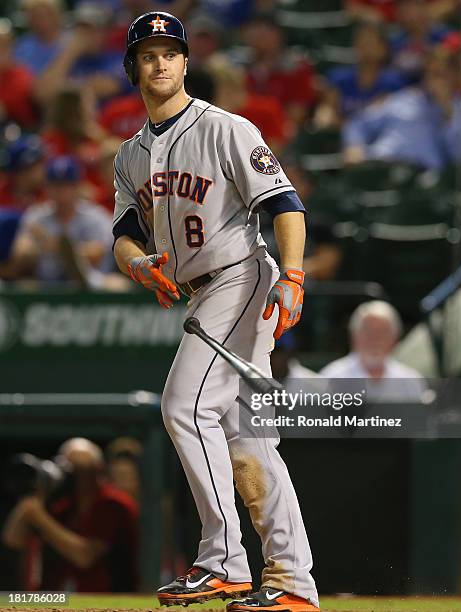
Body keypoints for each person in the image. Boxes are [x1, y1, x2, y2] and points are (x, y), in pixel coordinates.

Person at [112, 11, 319, 612]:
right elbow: (125, 231)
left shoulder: (226, 127)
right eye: (148, 53)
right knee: (245, 438)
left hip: (241, 276)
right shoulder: (129, 155)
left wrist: (296, 274)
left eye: (169, 52)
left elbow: (286, 203)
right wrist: (135, 263)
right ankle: (292, 584)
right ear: (134, 68)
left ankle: (222, 560)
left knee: (184, 405)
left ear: (184, 62)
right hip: (202, 292)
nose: (160, 62)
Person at [1, 437, 139, 591]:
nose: (74, 476)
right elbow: (12, 540)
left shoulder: (114, 503)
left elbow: (85, 557)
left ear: (97, 469)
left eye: (80, 469)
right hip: (61, 599)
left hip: (110, 598)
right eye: (67, 468)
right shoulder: (63, 507)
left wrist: (39, 517)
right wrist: (29, 503)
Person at [343, 46, 461, 169]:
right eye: (430, 73)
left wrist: (447, 111)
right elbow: (358, 123)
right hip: (382, 163)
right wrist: (354, 145)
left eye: (440, 74)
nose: (434, 80)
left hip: (421, 179)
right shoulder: (404, 99)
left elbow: (459, 158)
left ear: (455, 76)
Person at [9, 155, 114, 287]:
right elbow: (21, 253)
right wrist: (32, 248)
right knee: (24, 286)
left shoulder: (96, 215)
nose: (62, 192)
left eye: (67, 185)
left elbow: (97, 253)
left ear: (77, 187)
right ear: (47, 188)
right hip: (46, 283)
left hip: (91, 283)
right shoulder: (36, 215)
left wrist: (54, 246)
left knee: (116, 284)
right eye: (56, 185)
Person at [319, 300, 427, 402]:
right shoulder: (331, 377)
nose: (375, 339)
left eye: (383, 332)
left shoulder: (411, 380)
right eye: (368, 331)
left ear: (394, 339)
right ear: (354, 336)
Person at [326, 22, 407, 117]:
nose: (366, 47)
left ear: (383, 49)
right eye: (362, 42)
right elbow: (329, 112)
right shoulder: (339, 78)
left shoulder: (395, 82)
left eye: (370, 42)